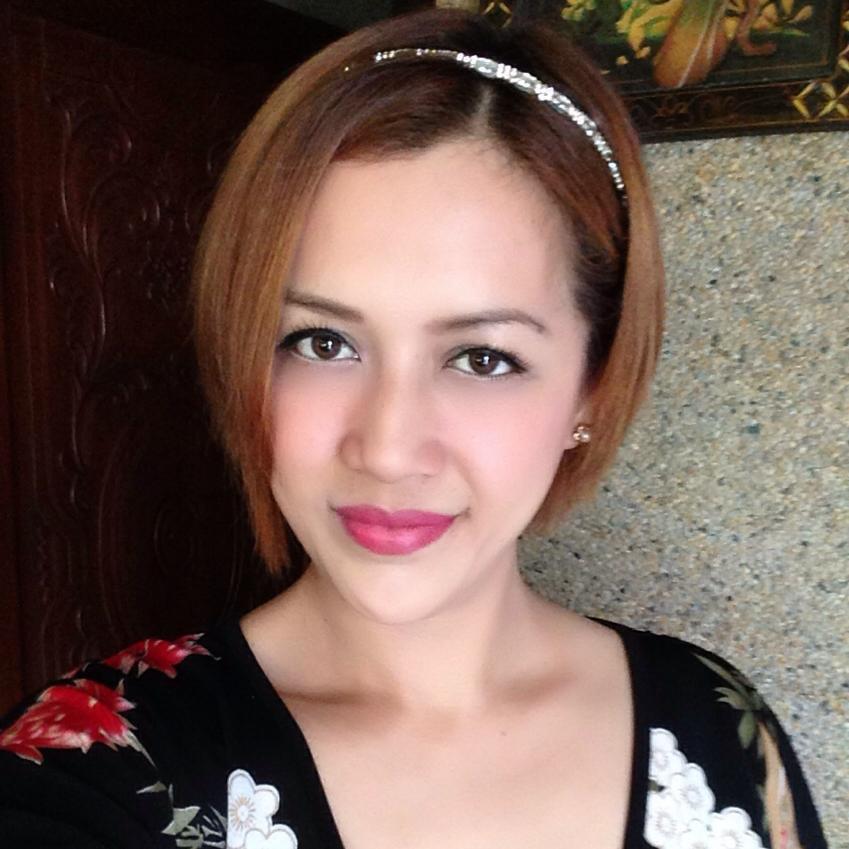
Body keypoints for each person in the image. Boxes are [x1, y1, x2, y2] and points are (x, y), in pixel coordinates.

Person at [0, 8, 828, 849]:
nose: (388, 449)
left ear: (593, 384)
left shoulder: (719, 726)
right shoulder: (92, 772)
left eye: (481, 357)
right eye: (322, 342)